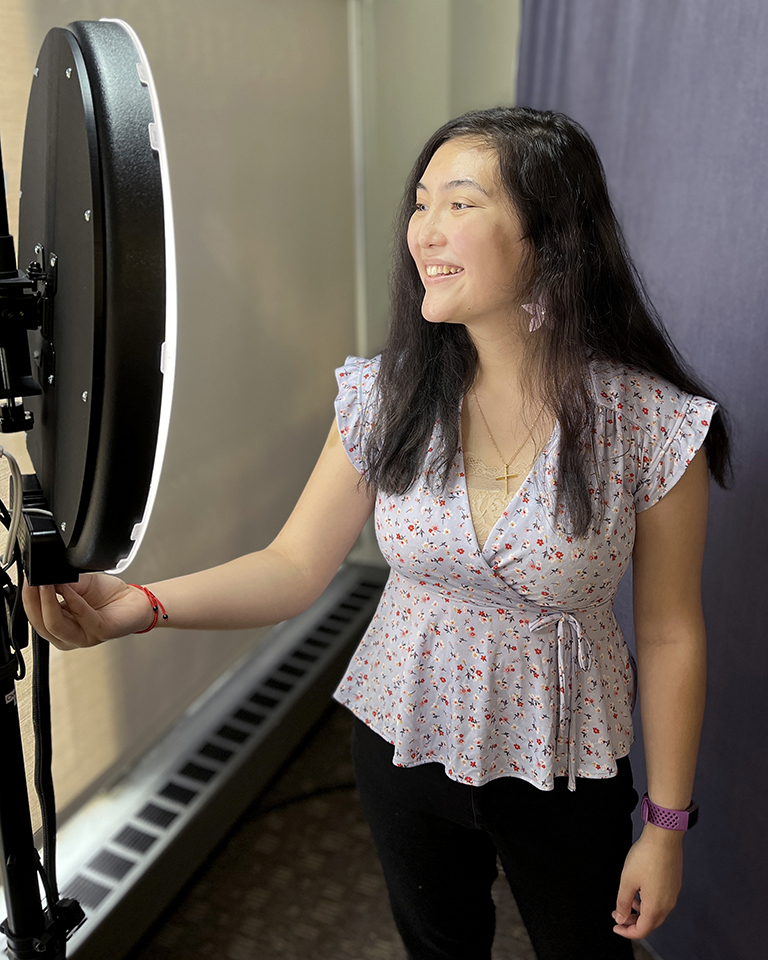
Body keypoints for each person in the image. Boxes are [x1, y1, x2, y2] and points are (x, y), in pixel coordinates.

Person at [24, 107, 730, 960]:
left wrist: (664, 826)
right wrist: (136, 603)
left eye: (461, 204)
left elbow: (668, 634)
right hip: (400, 734)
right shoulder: (384, 396)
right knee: (437, 949)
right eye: (420, 202)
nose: (425, 230)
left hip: (562, 756)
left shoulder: (650, 424)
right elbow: (292, 566)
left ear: (552, 235)